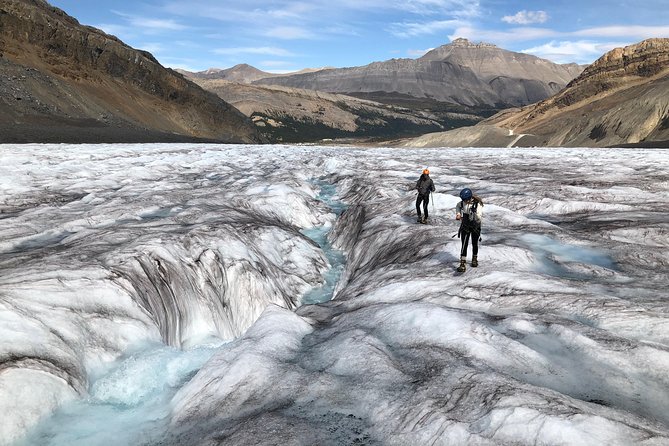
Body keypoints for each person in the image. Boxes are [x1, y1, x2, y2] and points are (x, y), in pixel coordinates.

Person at [455, 187, 483, 272]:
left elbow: (479, 216)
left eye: (465, 199)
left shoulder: (477, 204)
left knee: (475, 243)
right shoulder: (463, 203)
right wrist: (458, 214)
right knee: (464, 244)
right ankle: (462, 263)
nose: (464, 201)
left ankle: (474, 259)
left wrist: (473, 216)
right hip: (466, 225)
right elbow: (458, 206)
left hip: (475, 226)